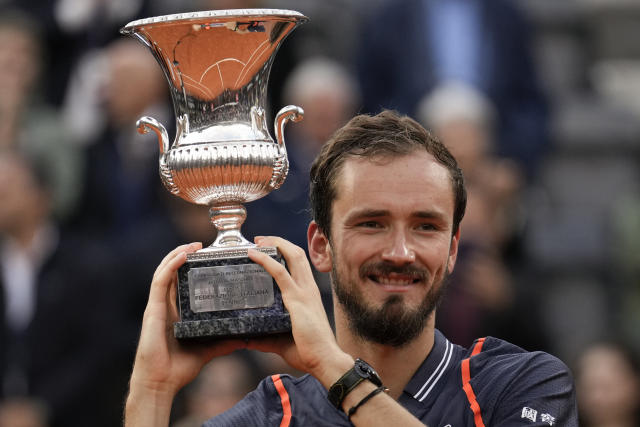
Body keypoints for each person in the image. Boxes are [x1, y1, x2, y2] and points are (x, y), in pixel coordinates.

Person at [124, 111, 577, 426]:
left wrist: (337, 372)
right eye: (372, 224)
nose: (401, 251)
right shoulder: (270, 415)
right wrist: (153, 390)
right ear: (320, 246)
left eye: (426, 226)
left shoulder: (521, 384)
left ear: (453, 249)